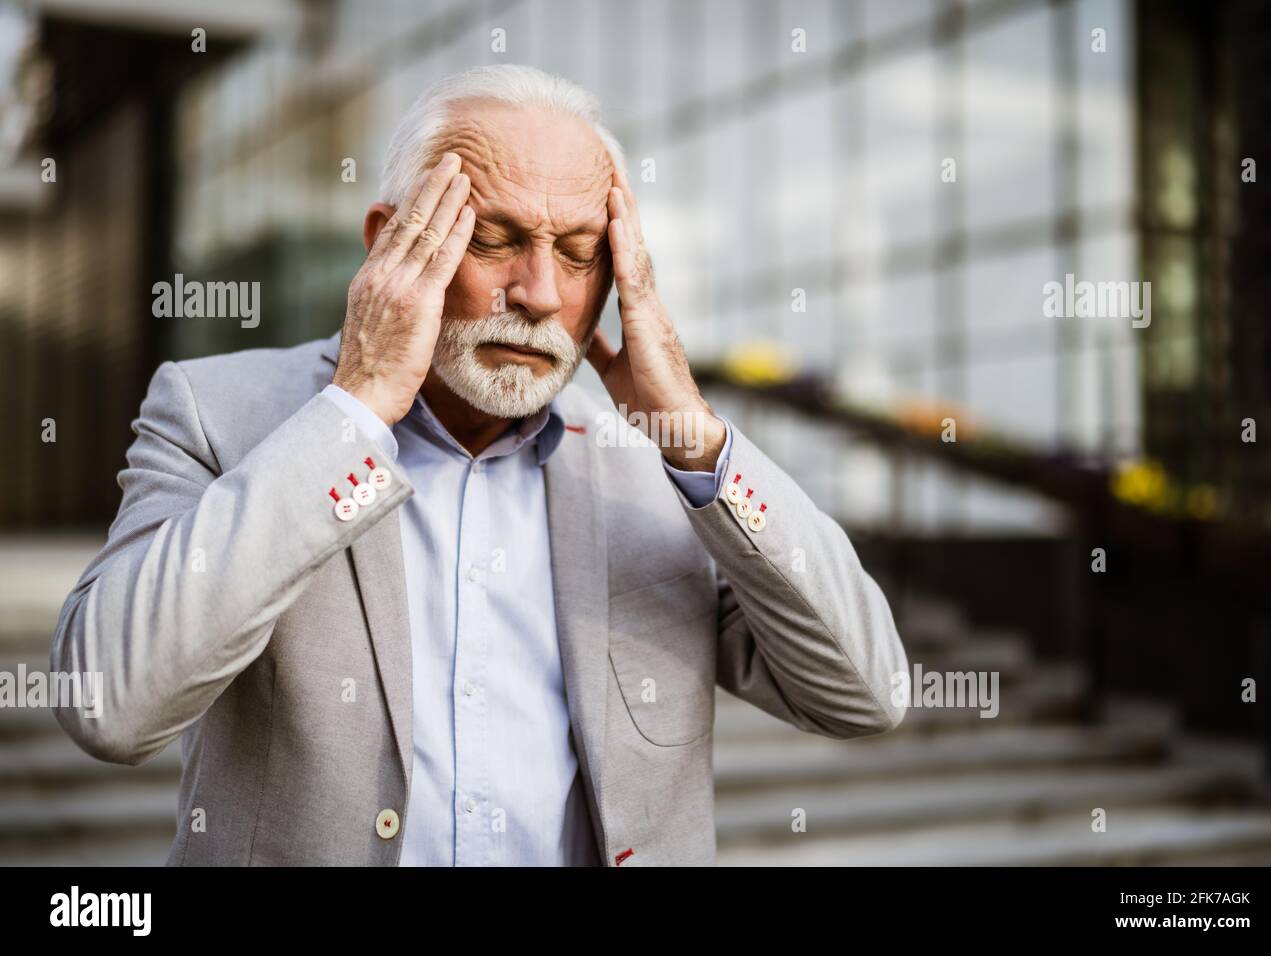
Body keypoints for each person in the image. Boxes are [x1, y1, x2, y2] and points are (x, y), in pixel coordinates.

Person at [51, 64, 907, 866]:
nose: (539, 292)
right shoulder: (214, 411)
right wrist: (351, 415)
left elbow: (867, 693)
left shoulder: (661, 467)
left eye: (578, 253)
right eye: (494, 240)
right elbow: (110, 705)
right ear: (389, 244)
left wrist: (694, 437)